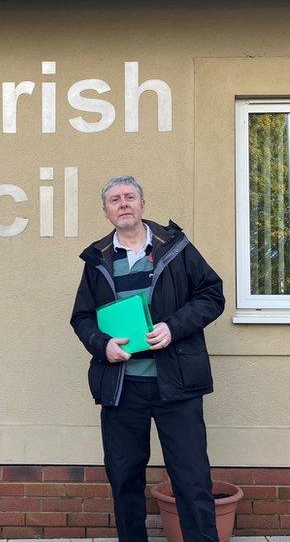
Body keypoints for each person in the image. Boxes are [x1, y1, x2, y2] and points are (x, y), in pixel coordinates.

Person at [69, 175, 225, 542]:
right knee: (124, 480)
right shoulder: (97, 260)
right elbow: (82, 317)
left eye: (129, 197)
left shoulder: (177, 248)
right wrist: (102, 344)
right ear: (106, 212)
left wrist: (173, 327)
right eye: (114, 200)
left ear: (142, 204)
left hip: (177, 387)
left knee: (191, 480)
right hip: (123, 389)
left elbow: (212, 295)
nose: (123, 204)